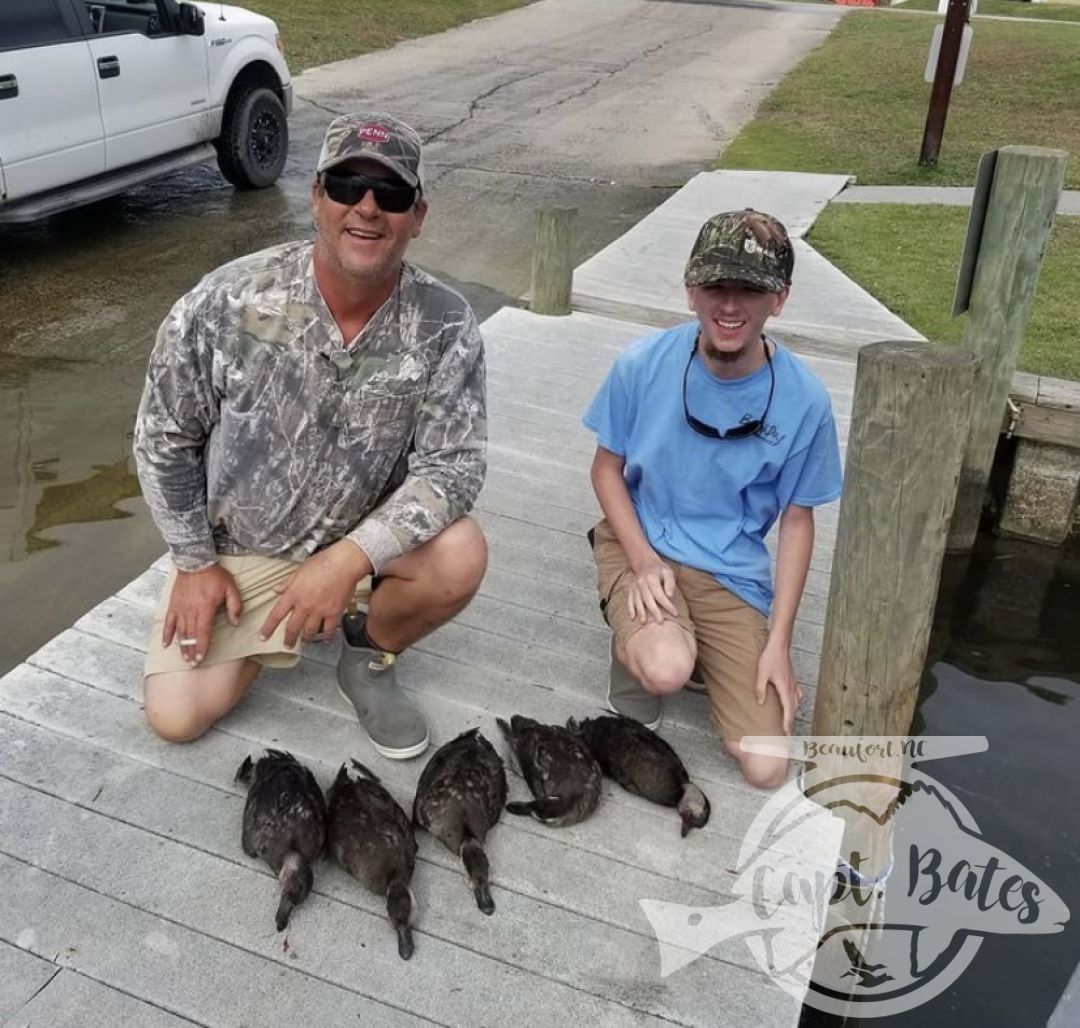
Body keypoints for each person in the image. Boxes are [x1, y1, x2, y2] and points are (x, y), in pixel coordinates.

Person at [134, 111, 487, 760]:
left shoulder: (446, 323)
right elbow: (162, 438)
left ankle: (367, 654)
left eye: (393, 194)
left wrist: (348, 559)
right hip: (240, 551)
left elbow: (454, 469)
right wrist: (194, 563)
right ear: (317, 196)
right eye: (348, 185)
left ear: (419, 214)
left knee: (460, 553)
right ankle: (274, 630)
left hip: (361, 549)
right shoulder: (230, 296)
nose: (369, 208)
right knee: (175, 716)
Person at [582, 209, 842, 789]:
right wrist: (645, 561)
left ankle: (692, 639)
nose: (731, 306)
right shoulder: (641, 365)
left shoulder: (806, 401)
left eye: (751, 288)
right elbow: (607, 469)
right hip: (642, 542)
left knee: (767, 765)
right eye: (716, 286)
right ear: (691, 290)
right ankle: (644, 647)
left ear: (780, 299)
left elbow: (799, 522)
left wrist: (780, 643)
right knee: (664, 669)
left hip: (730, 570)